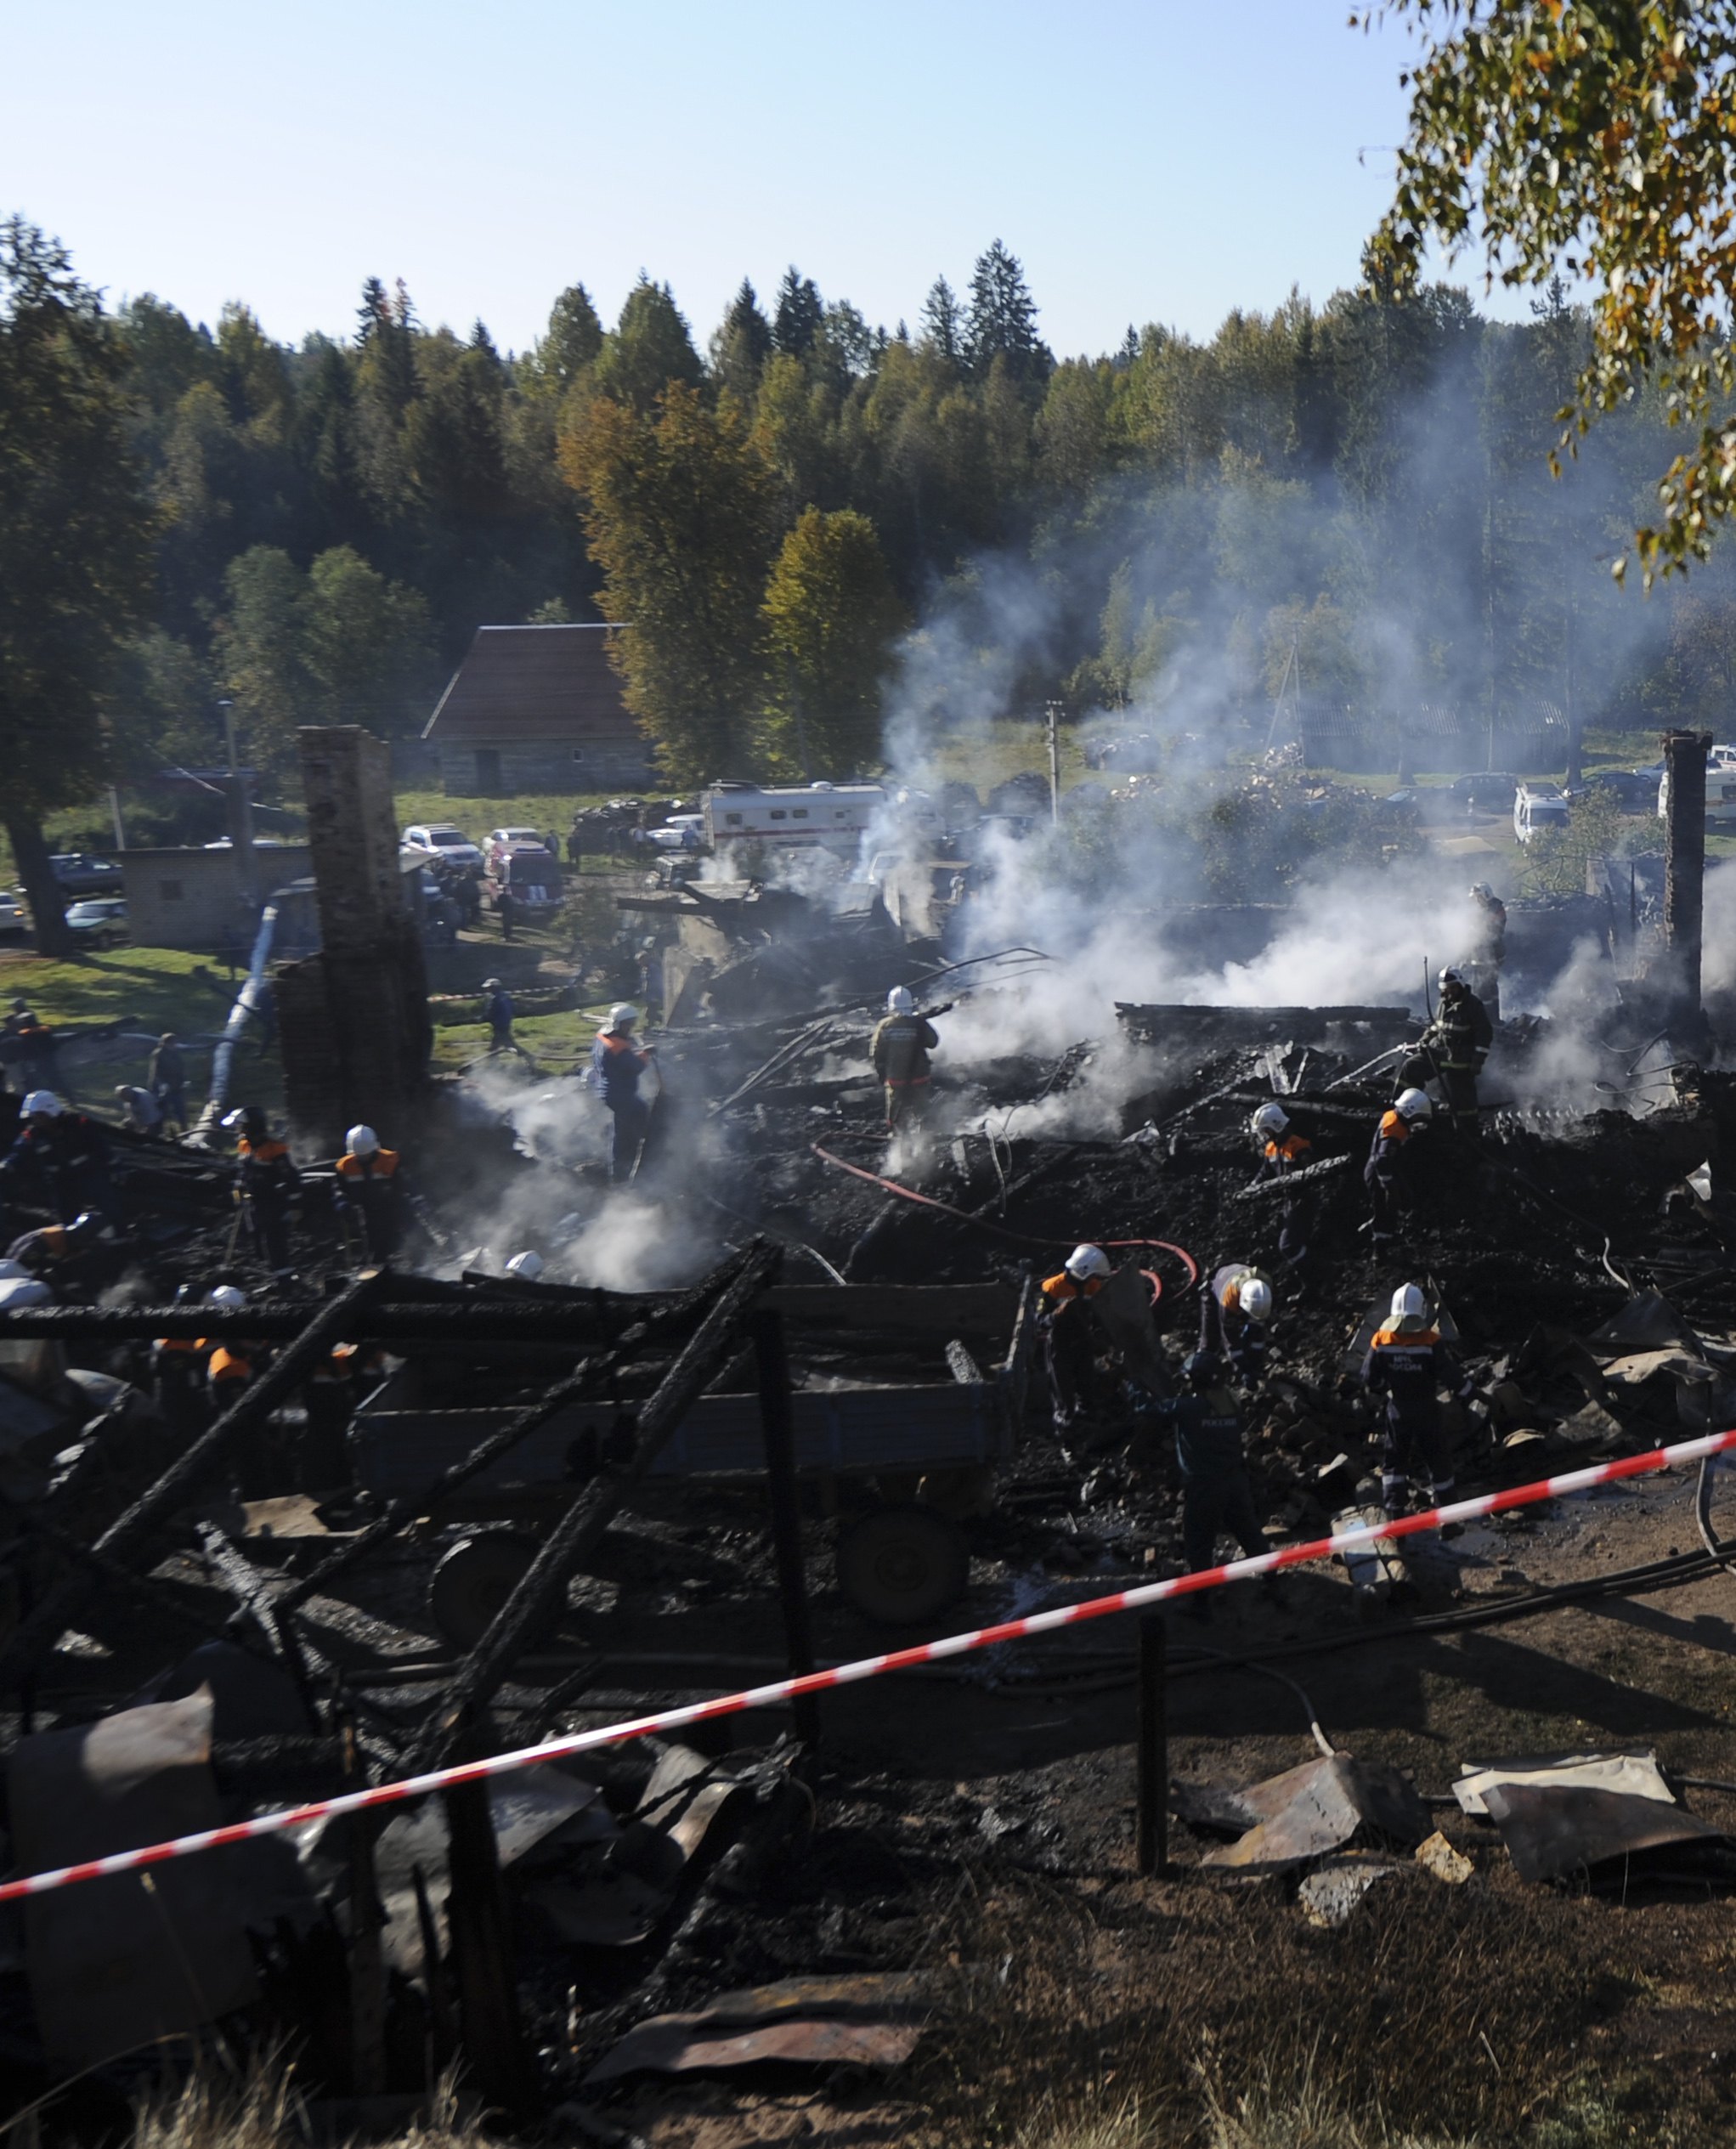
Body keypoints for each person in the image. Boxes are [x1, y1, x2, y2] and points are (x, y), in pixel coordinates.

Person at [1154, 1350, 1268, 1614]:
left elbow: (1150, 1410)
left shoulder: (1187, 1407)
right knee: (1249, 1531)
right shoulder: (1231, 1402)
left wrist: (1134, 1387)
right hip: (1235, 1481)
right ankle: (1272, 1580)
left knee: (1200, 1542)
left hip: (1204, 1486)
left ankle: (1201, 1602)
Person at [1360, 1282, 1468, 1518]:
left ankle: (1395, 1518)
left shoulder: (1381, 1339)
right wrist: (1471, 1393)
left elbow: (1369, 1377)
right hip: (1427, 1410)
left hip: (1398, 1410)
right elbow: (1450, 1374)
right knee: (1438, 1461)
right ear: (1420, 1310)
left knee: (1395, 1464)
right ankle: (1448, 1520)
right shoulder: (1431, 1341)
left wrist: (1386, 1389)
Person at [1397, 970, 1494, 1136]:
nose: (1449, 992)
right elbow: (1435, 1026)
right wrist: (1425, 1041)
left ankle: (1467, 1135)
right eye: (1446, 989)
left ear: (1461, 985)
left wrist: (1478, 1060)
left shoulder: (1473, 1005)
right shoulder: (1443, 1003)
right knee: (1411, 1067)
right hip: (1438, 1051)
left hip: (1461, 1059)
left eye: (1453, 988)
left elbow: (1484, 1034)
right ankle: (1402, 1110)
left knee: (1464, 1102)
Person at [0, 1092, 115, 1224]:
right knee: (67, 1220)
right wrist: (5, 1166)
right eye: (33, 1117)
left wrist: (115, 1167)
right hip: (61, 1184)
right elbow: (18, 1152)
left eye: (39, 1116)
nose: (35, 1121)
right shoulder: (33, 1134)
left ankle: (119, 1240)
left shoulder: (78, 1124)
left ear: (51, 1111)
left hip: (89, 1177)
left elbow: (101, 1146)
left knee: (109, 1211)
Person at [1038, 1243, 1112, 1434]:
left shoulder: (1092, 1286)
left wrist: (1100, 1336)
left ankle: (1090, 1429)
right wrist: (1056, 1315)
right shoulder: (1053, 1288)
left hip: (1083, 1342)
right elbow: (1040, 1321)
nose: (1094, 1280)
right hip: (1060, 1345)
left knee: (1087, 1387)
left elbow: (1098, 1315)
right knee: (1063, 1394)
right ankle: (1066, 1436)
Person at [225, 1105, 299, 1275]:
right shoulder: (244, 1146)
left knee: (274, 1242)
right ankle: (274, 1274)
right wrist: (238, 1188)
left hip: (273, 1202)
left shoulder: (274, 1149)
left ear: (252, 1127)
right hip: (254, 1204)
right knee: (258, 1242)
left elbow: (291, 1177)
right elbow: (243, 1171)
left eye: (241, 1127)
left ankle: (285, 1278)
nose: (239, 1130)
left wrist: (295, 1205)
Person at [591, 1004, 654, 1184]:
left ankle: (623, 1167)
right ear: (618, 1024)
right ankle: (624, 1171)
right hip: (619, 1094)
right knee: (627, 1133)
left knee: (637, 1113)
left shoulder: (603, 1037)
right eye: (628, 1025)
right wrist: (645, 1054)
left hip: (609, 1091)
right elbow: (636, 1067)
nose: (630, 1028)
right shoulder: (616, 1047)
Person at [1251, 1102, 1315, 1273]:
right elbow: (1265, 1171)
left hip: (1301, 1202)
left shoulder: (1298, 1146)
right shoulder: (1271, 1149)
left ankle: (1314, 1274)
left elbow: (1308, 1176)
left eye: (1265, 1130)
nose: (1264, 1135)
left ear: (1275, 1126)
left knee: (1287, 1246)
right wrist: (1253, 1187)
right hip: (1287, 1202)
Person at [1365, 1088, 1433, 1245]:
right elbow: (1382, 1160)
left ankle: (1388, 1233)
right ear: (1410, 1111)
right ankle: (1381, 1247)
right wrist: (1389, 1185)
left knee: (1399, 1201)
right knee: (1385, 1209)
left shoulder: (1392, 1116)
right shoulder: (1394, 1132)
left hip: (1384, 1168)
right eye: (1418, 1117)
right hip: (1379, 1173)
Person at [334, 1124, 410, 1260]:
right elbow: (339, 1189)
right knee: (372, 1238)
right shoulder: (345, 1166)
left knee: (405, 1231)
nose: (364, 1158)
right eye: (360, 1156)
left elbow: (402, 1183)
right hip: (367, 1208)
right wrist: (342, 1202)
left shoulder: (389, 1160)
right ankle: (378, 1265)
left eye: (367, 1154)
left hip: (391, 1204)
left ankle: (417, 1262)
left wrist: (402, 1200)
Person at [870, 987, 939, 1134]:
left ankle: (900, 1147)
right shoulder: (919, 1023)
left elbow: (876, 1053)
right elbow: (933, 1042)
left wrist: (882, 1075)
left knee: (896, 1119)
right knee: (924, 1115)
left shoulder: (885, 1026)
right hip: (920, 1078)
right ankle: (926, 1145)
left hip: (896, 1080)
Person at [1200, 1262, 1275, 1378]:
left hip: (1238, 1276)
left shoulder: (1264, 1290)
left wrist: (1256, 1363)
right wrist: (1243, 1368)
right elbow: (1230, 1339)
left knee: (1255, 1329)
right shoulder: (1228, 1301)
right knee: (1211, 1337)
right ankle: (1202, 1370)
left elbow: (1259, 1327)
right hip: (1216, 1286)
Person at [1465, 884, 1507, 1020]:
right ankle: (1492, 1019)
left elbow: (1493, 932)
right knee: (1488, 988)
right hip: (1480, 956)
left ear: (1486, 895)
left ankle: (1488, 1020)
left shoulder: (1496, 909)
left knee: (1483, 990)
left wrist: (1474, 930)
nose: (1477, 901)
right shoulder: (1483, 910)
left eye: (1479, 898)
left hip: (1490, 956)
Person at [149, 1033, 189, 1133]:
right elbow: (156, 1072)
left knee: (181, 1111)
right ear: (166, 1043)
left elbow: (181, 1068)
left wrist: (184, 1081)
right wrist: (162, 1084)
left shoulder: (176, 1053)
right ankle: (160, 1132)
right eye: (172, 1043)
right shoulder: (158, 1054)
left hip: (177, 1087)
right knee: (163, 1112)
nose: (174, 1045)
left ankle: (184, 1131)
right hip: (164, 1088)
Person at [481, 979, 523, 1059]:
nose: (488, 989)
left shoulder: (495, 998)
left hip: (499, 1024)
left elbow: (491, 1012)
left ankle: (527, 1056)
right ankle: (492, 1058)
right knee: (496, 1042)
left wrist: (483, 1018)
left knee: (508, 1043)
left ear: (495, 988)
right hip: (505, 1022)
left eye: (490, 988)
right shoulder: (505, 995)